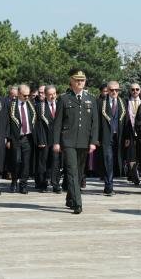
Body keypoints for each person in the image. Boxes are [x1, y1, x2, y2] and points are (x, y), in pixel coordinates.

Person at [52, 69, 99, 214]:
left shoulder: (91, 99)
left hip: (84, 141)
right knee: (72, 171)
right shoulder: (64, 98)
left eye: (82, 80)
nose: (80, 82)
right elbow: (57, 122)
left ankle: (70, 198)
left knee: (78, 173)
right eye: (77, 80)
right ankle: (78, 203)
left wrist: (93, 141)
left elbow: (94, 123)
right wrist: (56, 142)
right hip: (68, 141)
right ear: (71, 81)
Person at [99, 81, 126, 196]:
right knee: (108, 160)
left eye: (116, 90)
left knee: (116, 160)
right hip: (106, 136)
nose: (114, 92)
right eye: (111, 90)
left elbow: (127, 122)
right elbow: (96, 122)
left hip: (119, 136)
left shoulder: (123, 102)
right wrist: (96, 138)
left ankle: (109, 184)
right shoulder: (100, 102)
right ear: (107, 90)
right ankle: (109, 186)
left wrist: (127, 137)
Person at [9, 84, 37, 194]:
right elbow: (8, 122)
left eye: (28, 95)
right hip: (16, 138)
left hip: (27, 137)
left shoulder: (31, 104)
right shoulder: (12, 105)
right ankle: (14, 181)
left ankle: (23, 184)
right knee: (16, 161)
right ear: (19, 94)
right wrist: (8, 139)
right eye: (25, 95)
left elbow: (34, 120)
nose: (27, 97)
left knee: (26, 162)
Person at [35, 85, 60, 193]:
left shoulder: (60, 105)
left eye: (54, 94)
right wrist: (40, 139)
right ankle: (42, 184)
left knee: (56, 162)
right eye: (50, 94)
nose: (52, 96)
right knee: (43, 162)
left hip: (57, 139)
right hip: (44, 138)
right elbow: (37, 125)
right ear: (45, 95)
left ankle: (55, 184)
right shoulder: (40, 106)